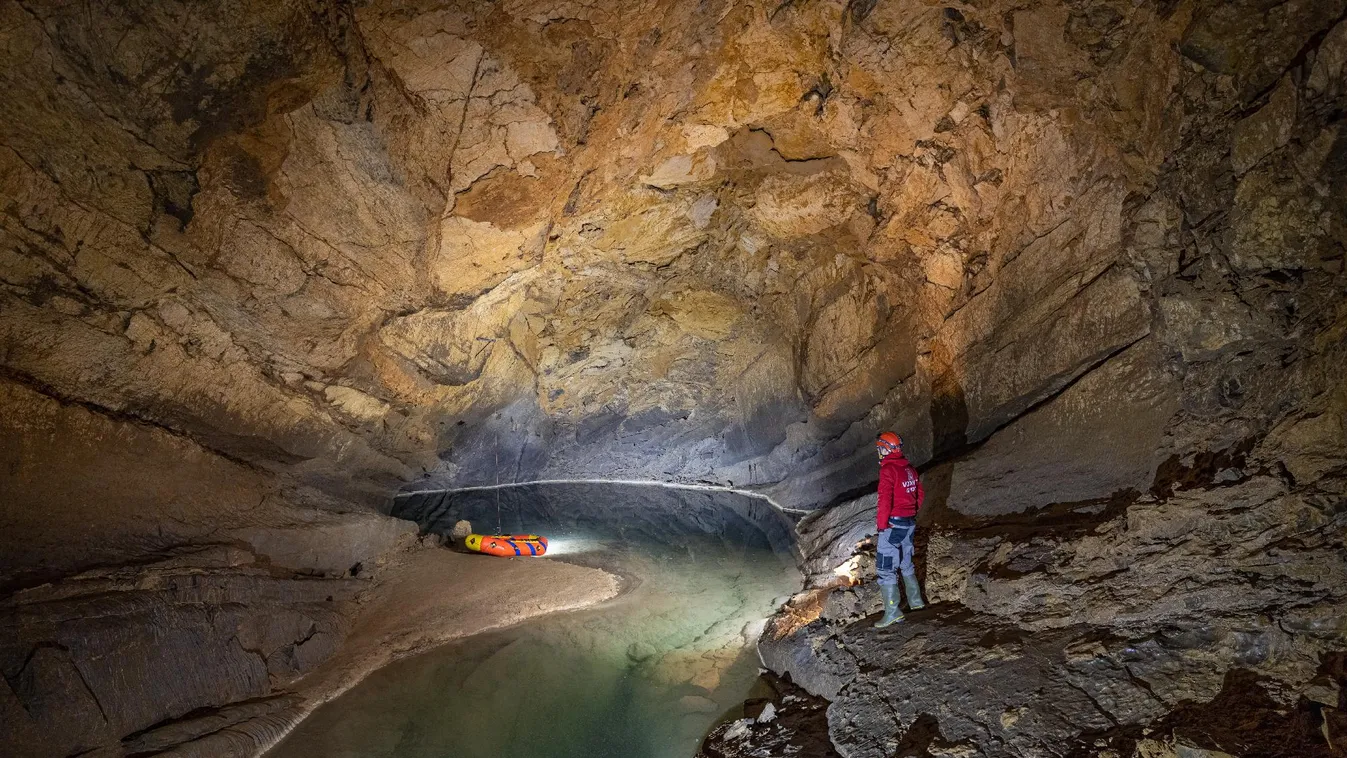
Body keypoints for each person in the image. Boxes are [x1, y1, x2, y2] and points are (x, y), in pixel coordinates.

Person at [873, 431, 925, 627]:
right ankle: (916, 602)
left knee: (886, 567)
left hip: (893, 524)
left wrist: (882, 526)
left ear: (886, 449)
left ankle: (893, 612)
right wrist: (910, 512)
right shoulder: (909, 469)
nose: (879, 452)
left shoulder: (888, 470)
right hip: (908, 522)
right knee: (906, 562)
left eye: (880, 449)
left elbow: (884, 500)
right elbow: (919, 494)